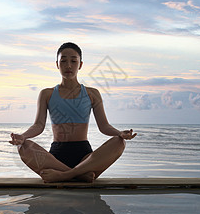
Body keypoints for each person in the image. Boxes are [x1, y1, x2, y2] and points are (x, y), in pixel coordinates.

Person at [9, 42, 136, 183]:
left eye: (73, 61)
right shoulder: (47, 94)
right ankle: (79, 174)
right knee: (24, 146)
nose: (68, 65)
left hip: (85, 156)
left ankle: (64, 175)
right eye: (63, 61)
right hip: (55, 157)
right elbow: (38, 125)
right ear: (57, 64)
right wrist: (23, 136)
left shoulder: (92, 93)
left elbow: (104, 126)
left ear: (80, 64)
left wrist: (120, 133)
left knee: (119, 143)